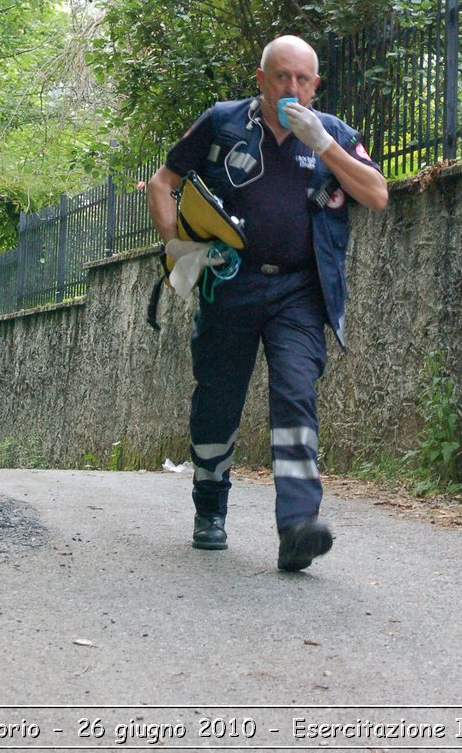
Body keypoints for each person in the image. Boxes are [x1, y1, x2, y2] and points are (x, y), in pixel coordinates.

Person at [147, 35, 388, 571]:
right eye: (282, 77)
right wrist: (179, 250)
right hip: (230, 284)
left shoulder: (335, 135)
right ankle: (209, 509)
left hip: (300, 291)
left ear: (316, 85)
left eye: (303, 80)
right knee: (217, 399)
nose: (292, 88)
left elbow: (376, 194)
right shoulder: (223, 122)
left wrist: (323, 143)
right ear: (261, 79)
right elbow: (163, 184)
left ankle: (298, 527)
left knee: (297, 393)